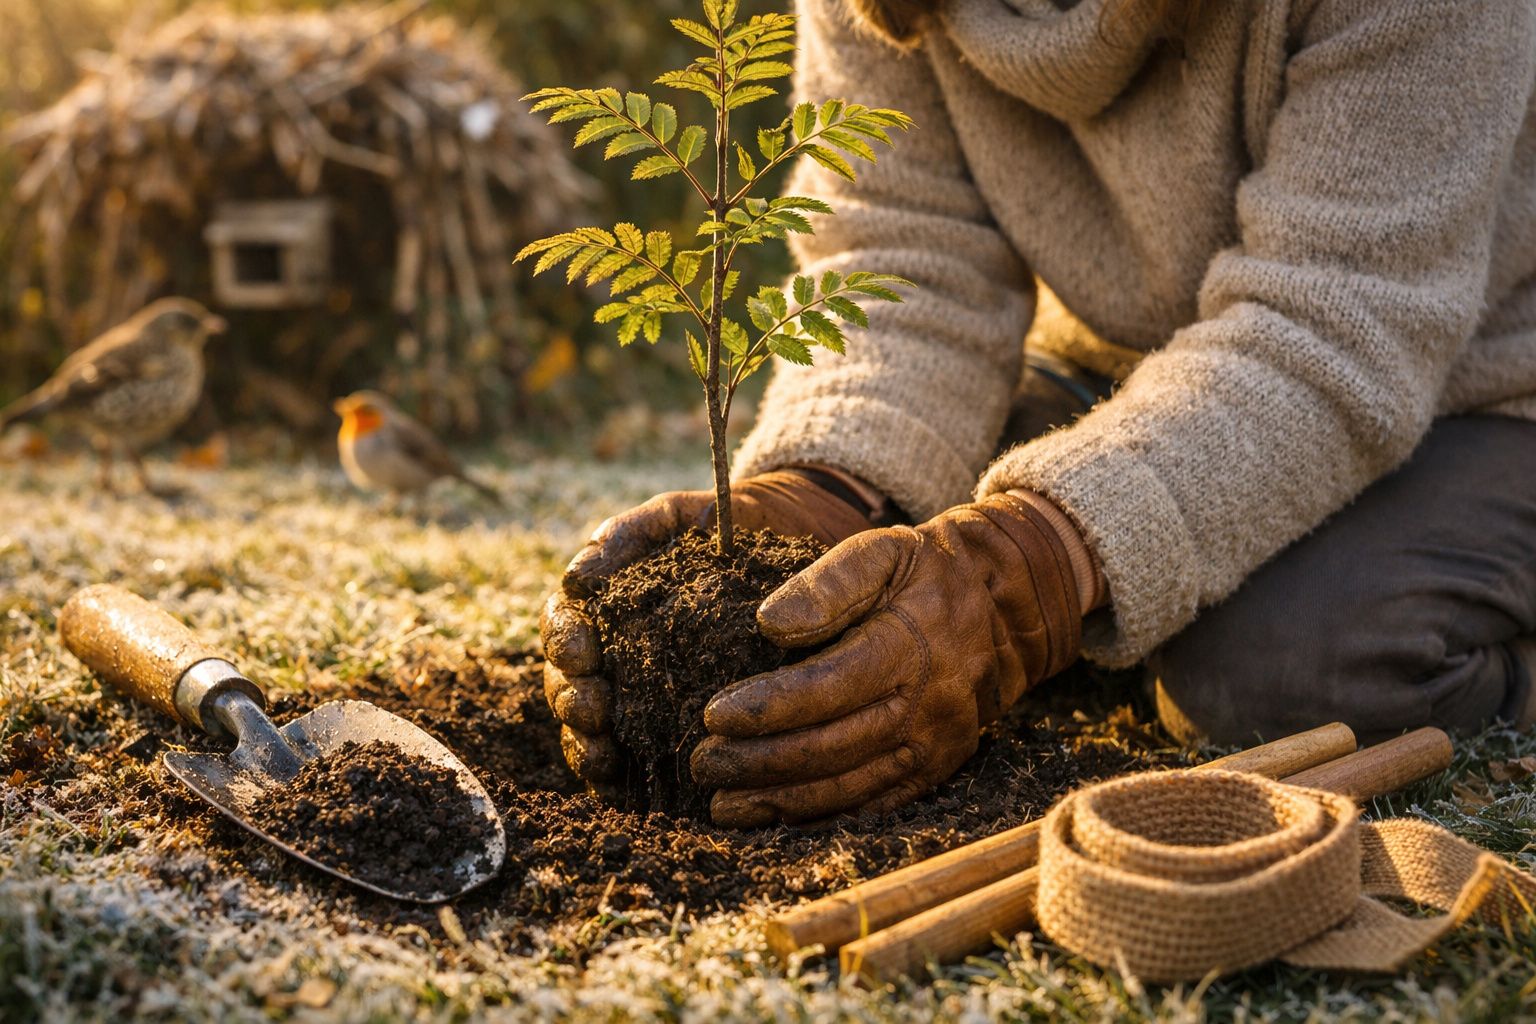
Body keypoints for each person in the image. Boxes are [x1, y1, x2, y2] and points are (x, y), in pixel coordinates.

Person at [542, 0, 1536, 828]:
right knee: (873, 591)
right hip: (1134, 368)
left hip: (1481, 375)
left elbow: (1339, 318)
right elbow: (905, 260)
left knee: (1273, 669)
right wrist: (833, 486)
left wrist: (1023, 583)